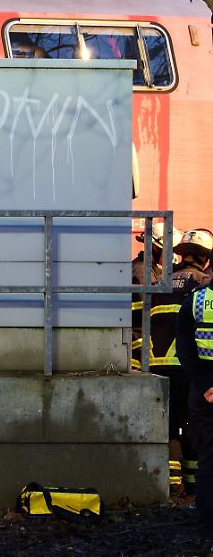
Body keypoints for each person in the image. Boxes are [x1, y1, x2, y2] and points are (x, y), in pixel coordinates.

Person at [146, 229, 212, 493]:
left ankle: (171, 486)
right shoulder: (200, 286)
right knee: (192, 425)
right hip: (187, 367)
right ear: (205, 258)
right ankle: (192, 486)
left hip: (157, 364)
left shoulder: (162, 280)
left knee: (169, 424)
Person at [174, 233, 213, 551]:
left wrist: (206, 387)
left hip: (201, 390)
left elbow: (186, 349)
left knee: (208, 460)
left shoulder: (195, 300)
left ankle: (206, 526)